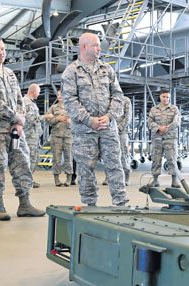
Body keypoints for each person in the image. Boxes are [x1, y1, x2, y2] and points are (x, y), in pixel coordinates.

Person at [0, 36, 44, 220]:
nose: (1, 53)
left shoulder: (10, 74)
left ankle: (25, 204)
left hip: (15, 130)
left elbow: (18, 100)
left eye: (3, 49)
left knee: (22, 163)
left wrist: (19, 121)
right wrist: (16, 117)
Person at [61, 32, 128, 206]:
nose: (99, 49)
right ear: (84, 47)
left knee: (115, 164)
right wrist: (89, 120)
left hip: (107, 127)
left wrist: (109, 116)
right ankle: (90, 205)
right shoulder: (71, 71)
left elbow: (118, 96)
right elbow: (70, 101)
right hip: (84, 130)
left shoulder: (107, 69)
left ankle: (121, 202)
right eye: (96, 45)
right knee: (86, 168)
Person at [147, 89, 180, 188]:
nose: (166, 99)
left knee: (172, 159)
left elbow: (176, 122)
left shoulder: (174, 109)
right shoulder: (154, 109)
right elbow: (150, 122)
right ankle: (155, 180)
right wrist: (158, 128)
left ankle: (174, 180)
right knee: (156, 159)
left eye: (167, 97)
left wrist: (166, 128)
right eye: (164, 97)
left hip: (170, 138)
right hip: (157, 138)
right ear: (160, 97)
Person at [45, 92, 73, 187]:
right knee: (56, 158)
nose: (60, 96)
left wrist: (70, 121)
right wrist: (58, 119)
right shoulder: (53, 108)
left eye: (62, 94)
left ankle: (69, 178)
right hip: (56, 136)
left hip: (68, 136)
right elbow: (48, 121)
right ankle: (57, 179)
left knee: (68, 157)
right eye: (58, 95)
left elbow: (78, 121)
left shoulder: (71, 107)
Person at [103, 96, 131, 186]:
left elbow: (128, 117)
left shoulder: (125, 100)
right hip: (109, 131)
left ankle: (126, 176)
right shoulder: (107, 99)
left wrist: (118, 128)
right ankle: (108, 177)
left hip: (121, 132)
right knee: (108, 154)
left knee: (123, 153)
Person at [23, 83, 44, 187]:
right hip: (29, 136)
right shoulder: (26, 102)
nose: (38, 95)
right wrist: (45, 117)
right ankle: (26, 181)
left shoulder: (31, 102)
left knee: (33, 159)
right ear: (34, 91)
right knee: (29, 159)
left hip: (34, 136)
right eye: (38, 93)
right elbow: (31, 119)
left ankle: (29, 180)